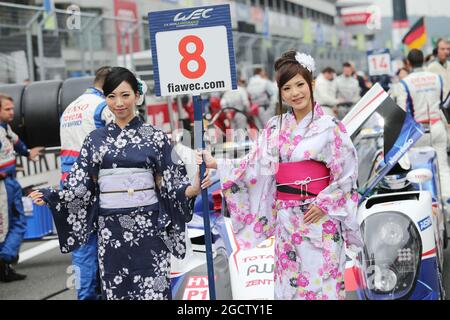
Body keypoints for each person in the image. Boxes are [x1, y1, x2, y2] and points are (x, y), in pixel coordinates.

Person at [29, 67, 211, 300]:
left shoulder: (155, 137)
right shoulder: (95, 140)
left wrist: (193, 188)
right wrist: (53, 195)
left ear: (137, 95)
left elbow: (172, 180)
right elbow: (80, 185)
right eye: (111, 96)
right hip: (111, 230)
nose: (119, 103)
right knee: (117, 292)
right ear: (105, 99)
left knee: (153, 291)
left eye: (125, 95)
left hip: (149, 228)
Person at [197, 51, 361, 300]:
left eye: (300, 85)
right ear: (280, 92)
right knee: (290, 289)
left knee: (323, 289)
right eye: (287, 88)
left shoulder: (331, 127)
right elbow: (255, 165)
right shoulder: (275, 126)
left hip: (320, 219)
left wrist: (325, 203)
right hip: (288, 220)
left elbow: (347, 175)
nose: (295, 93)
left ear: (311, 84)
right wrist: (218, 165)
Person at [59, 66, 114, 300]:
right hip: (95, 181)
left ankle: (85, 296)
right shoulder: (103, 107)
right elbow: (119, 142)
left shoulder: (69, 108)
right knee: (110, 239)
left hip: (69, 183)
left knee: (81, 247)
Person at [397, 49, 450, 204]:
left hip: (418, 131)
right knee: (443, 166)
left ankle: (427, 204)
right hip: (437, 126)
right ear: (424, 60)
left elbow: (402, 112)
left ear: (408, 63)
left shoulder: (404, 83)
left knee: (419, 170)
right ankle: (447, 204)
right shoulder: (437, 78)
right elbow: (441, 102)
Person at [0, 93, 43, 282]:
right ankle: (4, 260)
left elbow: (16, 142)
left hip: (11, 182)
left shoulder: (5, 128)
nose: (12, 112)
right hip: (2, 184)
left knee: (18, 220)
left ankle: (6, 266)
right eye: (7, 109)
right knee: (6, 225)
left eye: (12, 108)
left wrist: (27, 152)